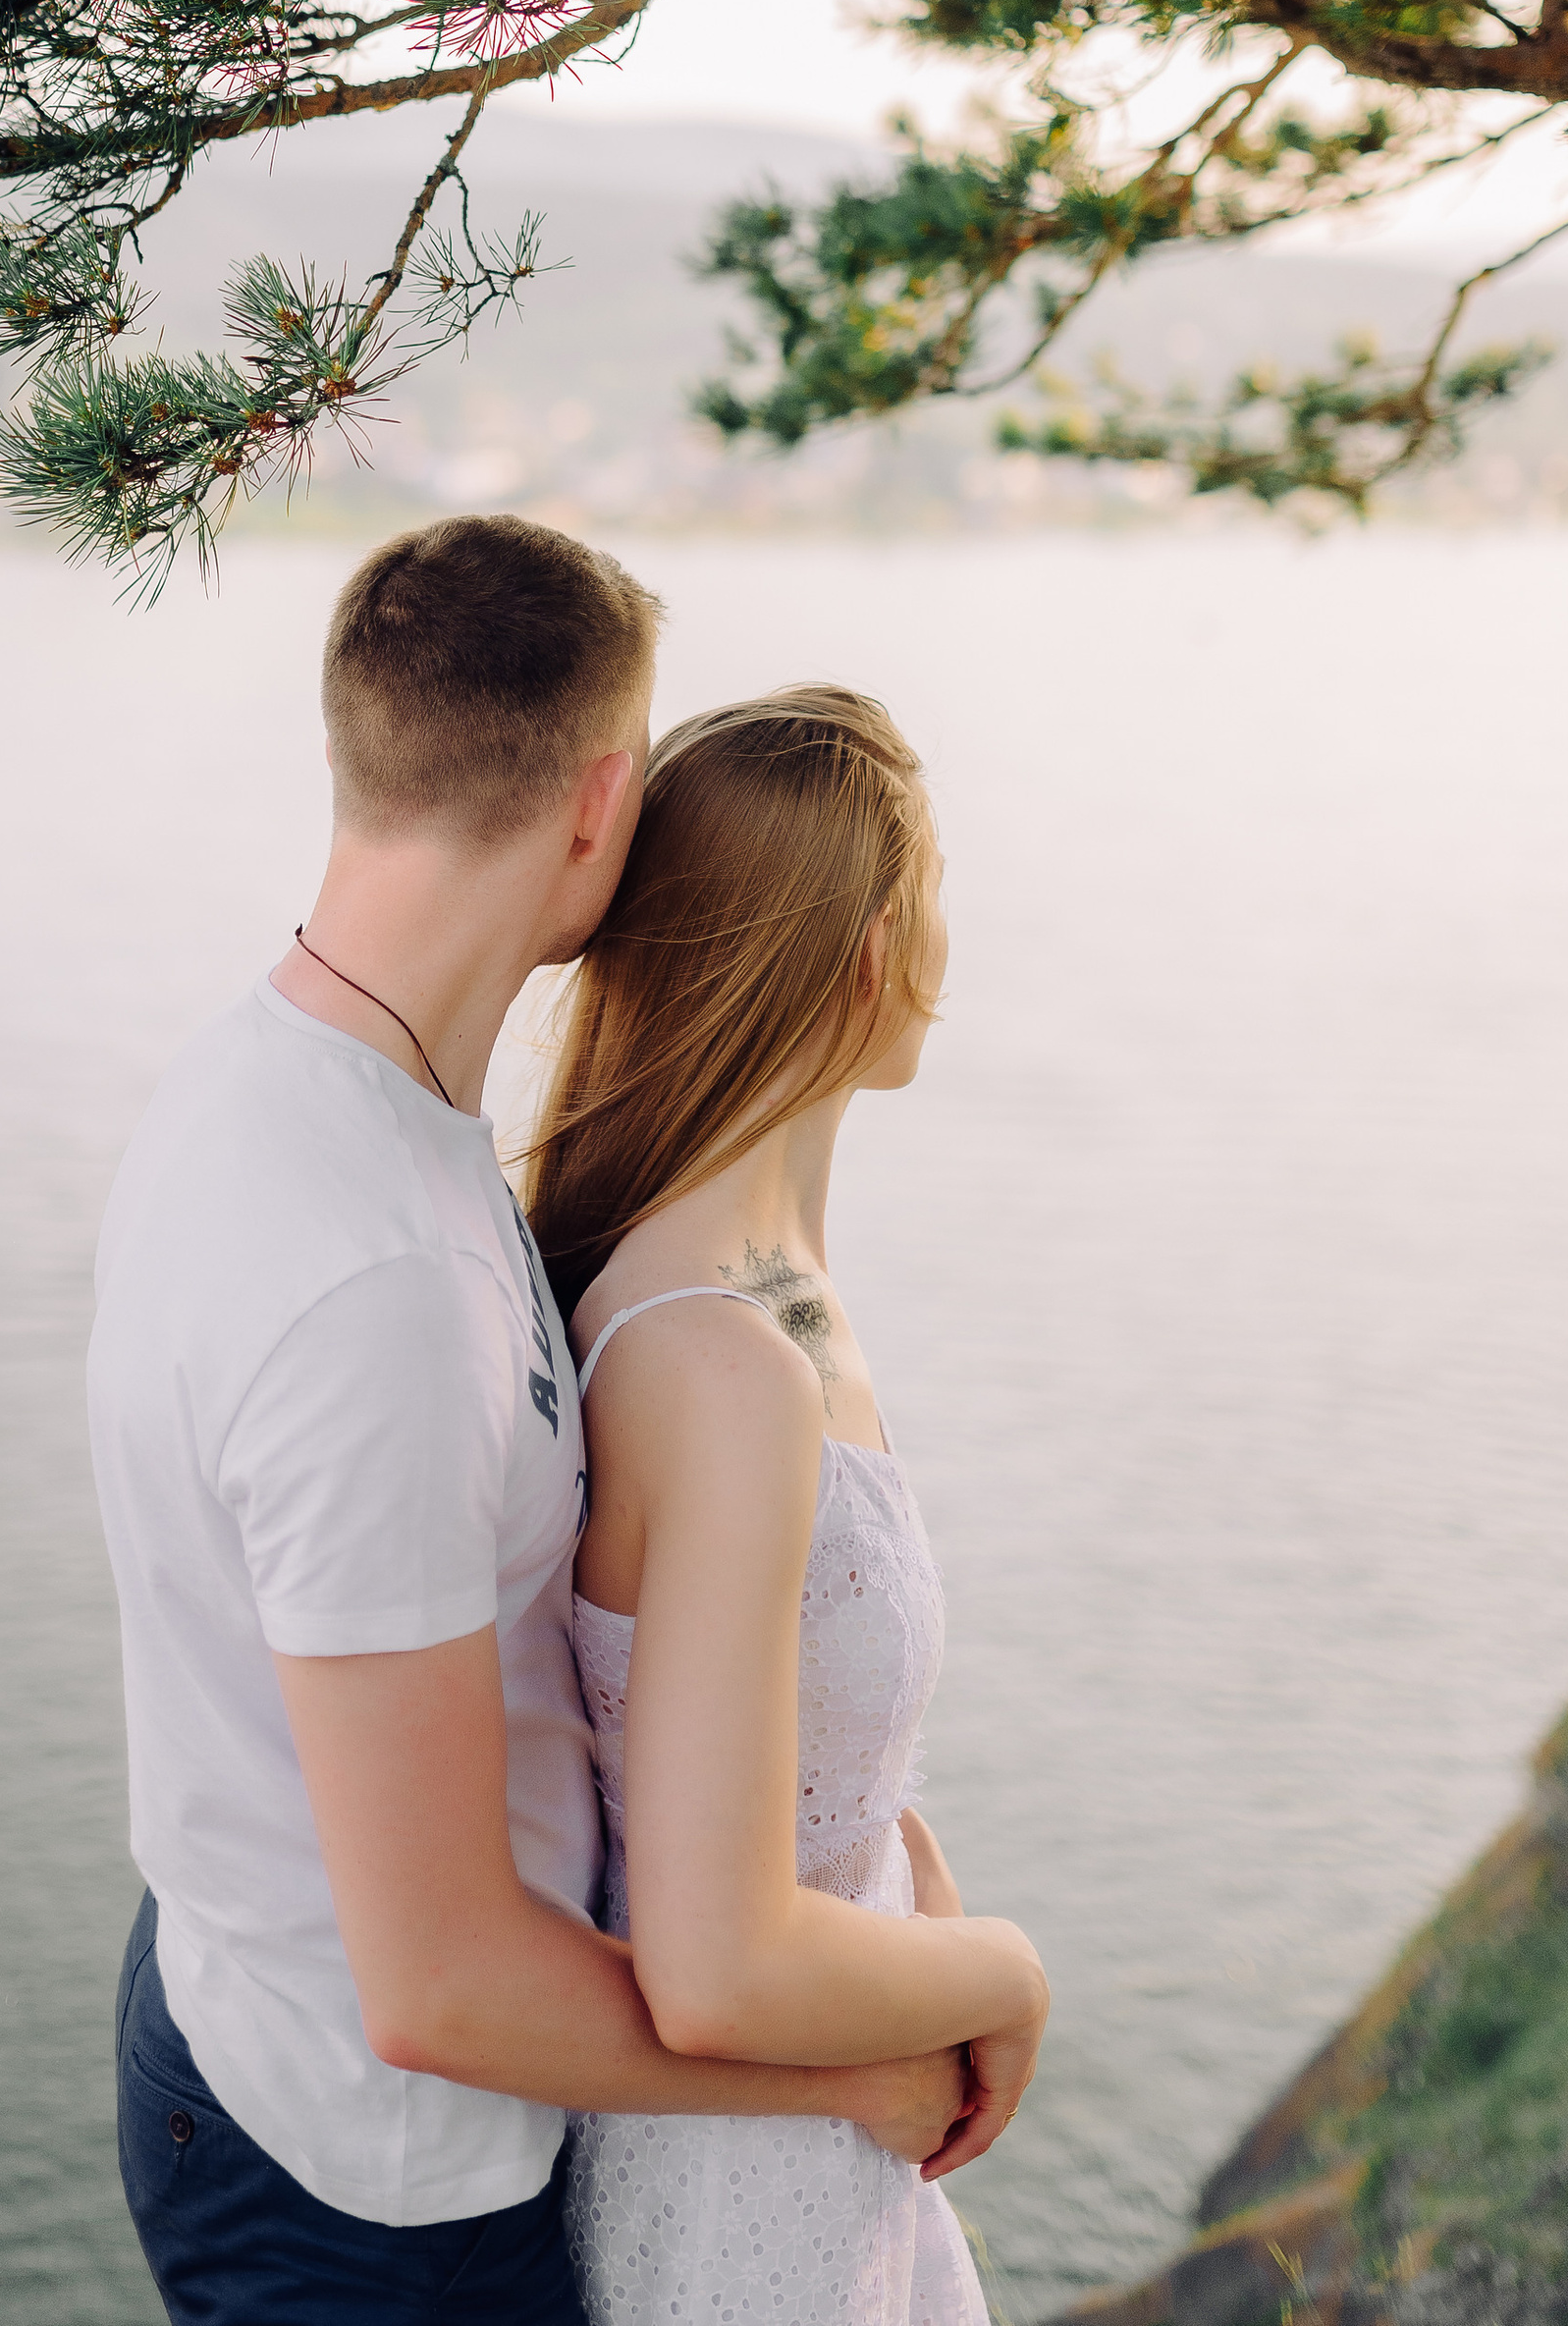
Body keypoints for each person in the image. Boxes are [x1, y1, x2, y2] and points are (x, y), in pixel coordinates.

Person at [87, 519, 978, 2326]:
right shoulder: (376, 1284)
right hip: (365, 2178)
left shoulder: (315, 1094)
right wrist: (887, 2048)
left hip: (251, 2006)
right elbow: (439, 1989)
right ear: (599, 802)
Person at [524, 685, 1048, 2326]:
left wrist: (902, 1874)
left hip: (824, 2141)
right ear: (879, 949)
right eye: (938, 894)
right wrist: (1004, 1970)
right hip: (746, 2204)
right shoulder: (723, 1365)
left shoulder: (755, 1304)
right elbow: (720, 1963)